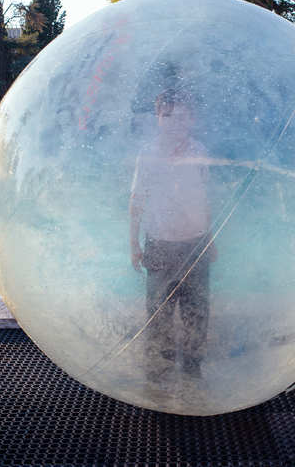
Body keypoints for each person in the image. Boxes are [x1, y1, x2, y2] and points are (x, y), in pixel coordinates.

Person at [129, 87, 215, 383]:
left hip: (196, 243)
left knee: (197, 309)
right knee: (159, 311)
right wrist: (133, 244)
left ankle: (193, 364)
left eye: (181, 116)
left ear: (191, 119)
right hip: (160, 245)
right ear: (157, 118)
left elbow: (205, 198)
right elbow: (136, 201)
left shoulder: (200, 152)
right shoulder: (148, 154)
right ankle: (162, 364)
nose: (174, 122)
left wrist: (211, 238)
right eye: (168, 116)